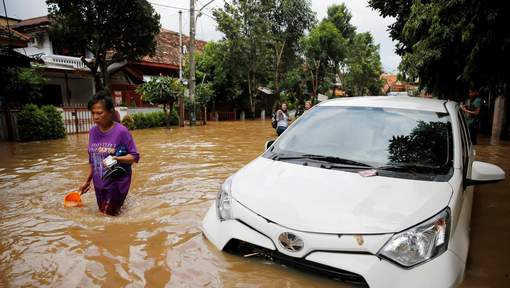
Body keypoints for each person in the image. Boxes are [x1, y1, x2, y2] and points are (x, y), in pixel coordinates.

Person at [79, 91, 140, 215]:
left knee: (105, 217)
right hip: (99, 184)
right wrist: (87, 181)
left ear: (110, 112)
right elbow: (93, 160)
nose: (95, 117)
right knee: (106, 213)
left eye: (99, 113)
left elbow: (134, 157)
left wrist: (116, 158)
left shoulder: (121, 131)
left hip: (116, 184)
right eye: (93, 113)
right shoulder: (92, 132)